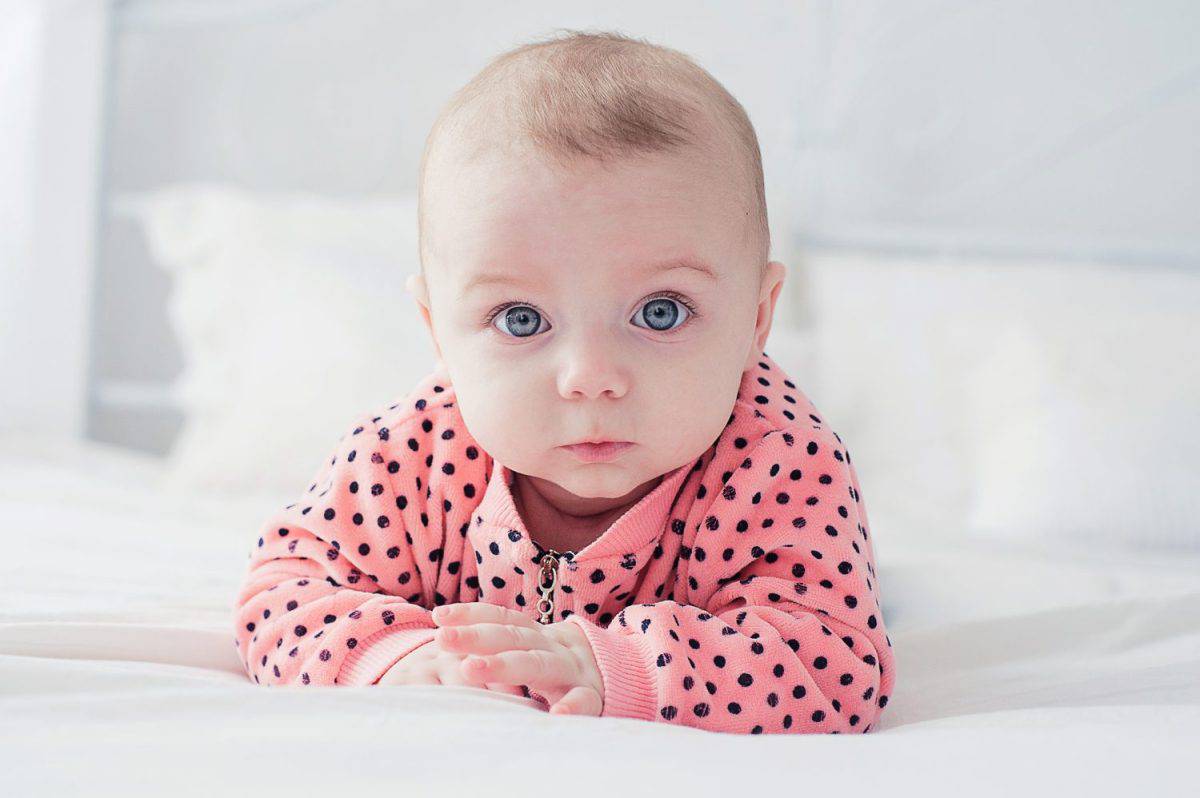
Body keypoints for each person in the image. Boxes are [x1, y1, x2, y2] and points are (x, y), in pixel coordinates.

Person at [231, 29, 895, 735]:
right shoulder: (411, 456)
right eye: (521, 319)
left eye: (660, 313)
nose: (591, 379)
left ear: (756, 320)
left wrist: (615, 666)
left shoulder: (778, 461)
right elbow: (281, 593)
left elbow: (833, 663)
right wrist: (400, 655)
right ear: (438, 332)